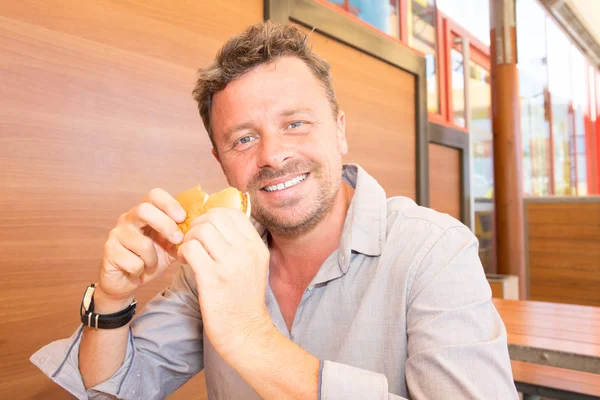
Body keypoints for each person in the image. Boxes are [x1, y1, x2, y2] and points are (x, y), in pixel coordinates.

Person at [31, 21, 519, 399]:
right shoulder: (210, 261)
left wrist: (249, 335)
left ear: (340, 131)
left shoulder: (433, 251)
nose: (272, 156)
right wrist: (113, 299)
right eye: (243, 139)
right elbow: (111, 388)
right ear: (221, 162)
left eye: (296, 123)